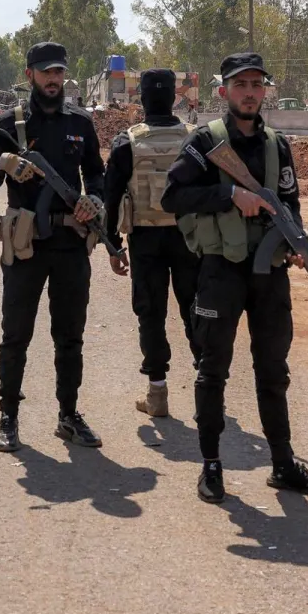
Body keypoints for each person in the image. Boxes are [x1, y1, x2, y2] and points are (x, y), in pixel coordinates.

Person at [161, 52, 308, 503]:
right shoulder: (205, 141)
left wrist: (295, 243)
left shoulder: (278, 144)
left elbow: (290, 202)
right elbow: (172, 197)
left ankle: (283, 464)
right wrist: (230, 194)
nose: (250, 93)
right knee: (212, 369)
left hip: (269, 271)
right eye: (241, 85)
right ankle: (211, 465)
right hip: (221, 269)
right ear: (224, 91)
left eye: (257, 84)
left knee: (273, 369)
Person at [0, 41, 106, 452]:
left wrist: (95, 199)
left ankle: (68, 415)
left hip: (70, 242)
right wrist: (4, 164)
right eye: (46, 71)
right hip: (26, 244)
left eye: (59, 72)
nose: (53, 79)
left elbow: (97, 175)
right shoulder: (9, 122)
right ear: (30, 74)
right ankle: (8, 416)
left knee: (70, 335)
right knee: (16, 334)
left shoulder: (81, 122)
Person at [102, 67, 198, 419]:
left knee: (151, 315)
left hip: (144, 240)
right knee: (197, 311)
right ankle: (209, 390)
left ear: (141, 98)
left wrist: (113, 245)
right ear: (174, 97)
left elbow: (111, 197)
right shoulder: (195, 139)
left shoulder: (126, 142)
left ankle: (158, 395)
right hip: (190, 239)